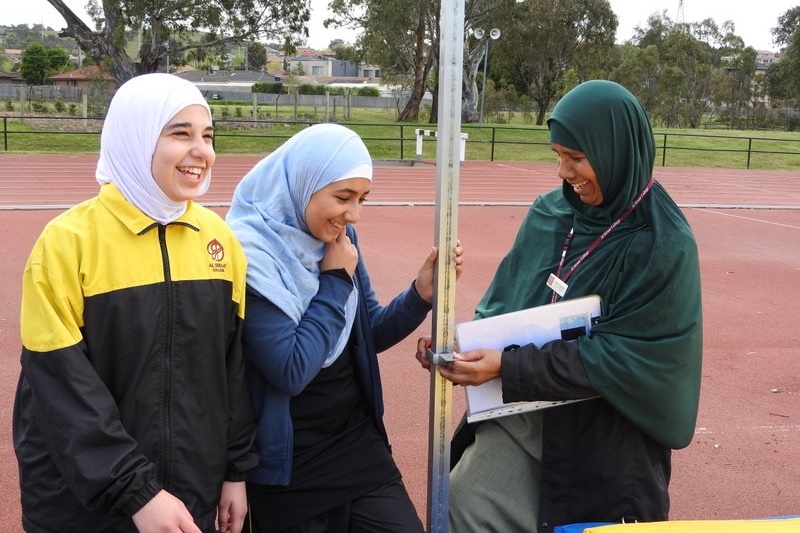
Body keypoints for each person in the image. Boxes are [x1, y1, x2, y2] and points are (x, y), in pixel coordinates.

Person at [416, 80, 703, 531]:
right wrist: (460, 347)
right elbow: (505, 304)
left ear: (615, 151)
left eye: (577, 158)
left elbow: (629, 358)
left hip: (602, 440)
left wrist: (507, 368)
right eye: (557, 155)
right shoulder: (551, 213)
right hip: (522, 414)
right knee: (459, 508)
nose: (562, 171)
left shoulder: (662, 245)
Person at [13, 73, 258, 533]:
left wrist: (235, 471)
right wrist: (136, 492)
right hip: (86, 505)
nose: (201, 151)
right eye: (180, 133)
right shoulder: (67, 243)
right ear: (136, 137)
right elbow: (61, 389)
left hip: (190, 495)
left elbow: (231, 370)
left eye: (207, 135)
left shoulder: (220, 239)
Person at [225, 123, 463, 533]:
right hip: (287, 464)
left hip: (355, 444)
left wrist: (420, 295)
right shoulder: (249, 256)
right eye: (343, 197)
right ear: (304, 184)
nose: (353, 214)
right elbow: (291, 370)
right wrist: (334, 282)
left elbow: (367, 332)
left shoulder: (340, 239)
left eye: (362, 199)